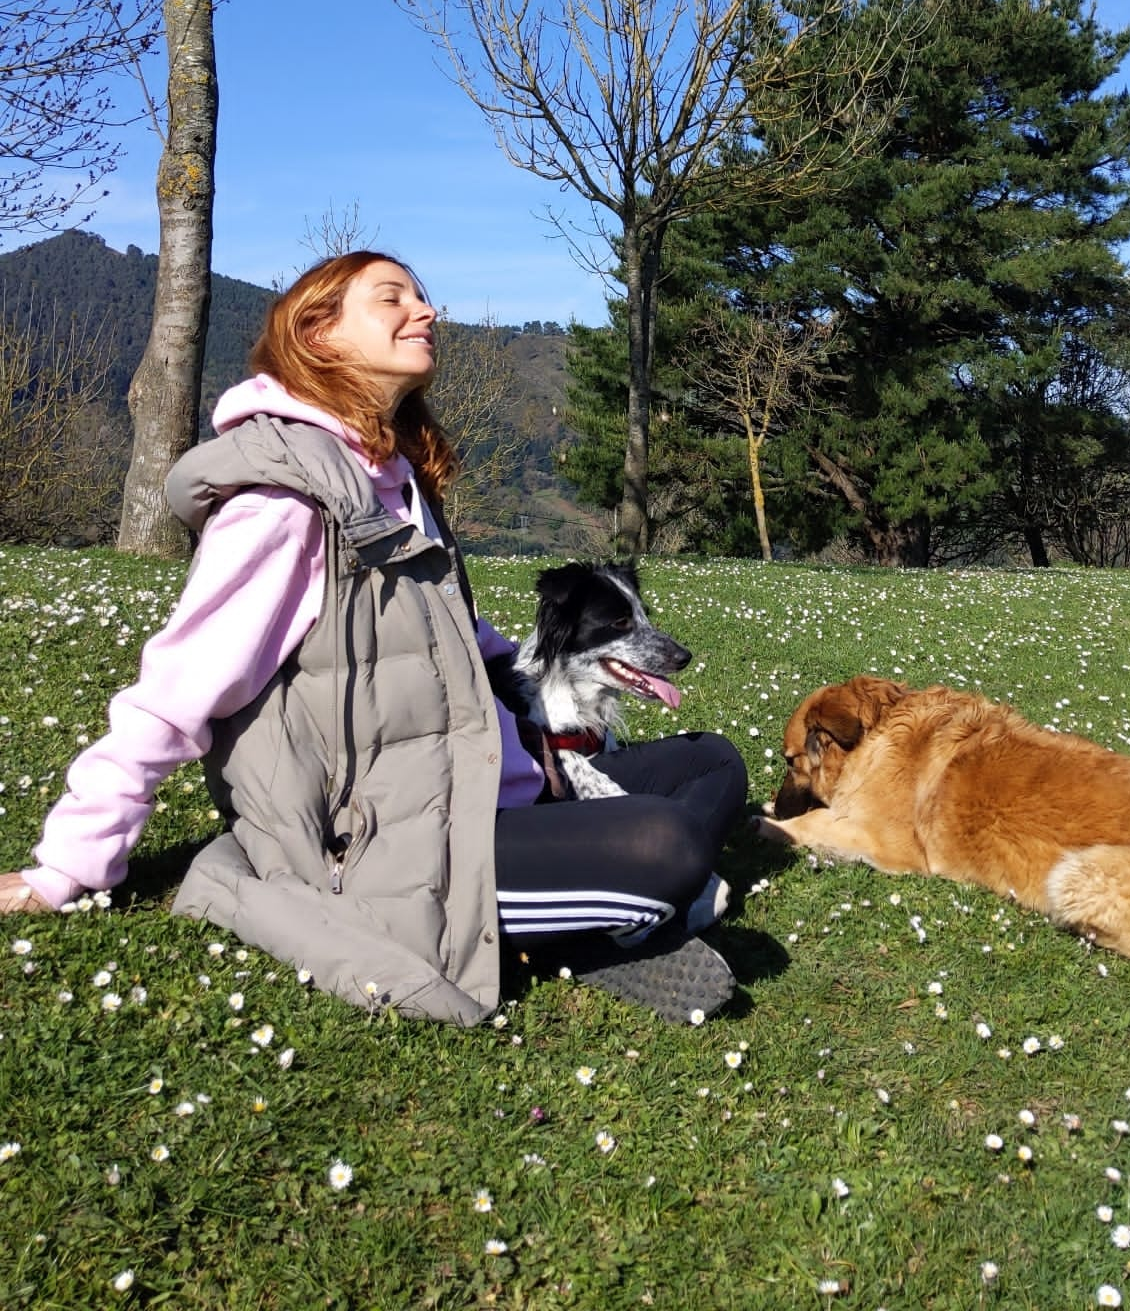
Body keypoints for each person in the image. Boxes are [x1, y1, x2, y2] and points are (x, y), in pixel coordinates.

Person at [0, 252, 747, 1024]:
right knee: (670, 846)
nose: (425, 312)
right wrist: (68, 866)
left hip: (492, 786)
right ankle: (583, 932)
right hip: (396, 843)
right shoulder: (284, 507)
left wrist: (531, 707)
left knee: (713, 760)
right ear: (318, 334)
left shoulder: (394, 484)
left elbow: (449, 636)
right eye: (393, 299)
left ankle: (575, 919)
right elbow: (173, 694)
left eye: (423, 297)